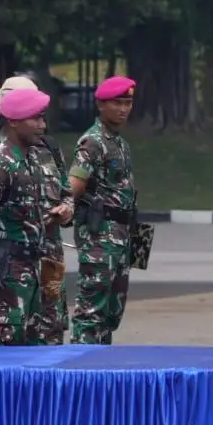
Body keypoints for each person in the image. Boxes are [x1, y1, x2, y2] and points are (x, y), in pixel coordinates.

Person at [0, 89, 72, 345]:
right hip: (10, 271)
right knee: (6, 344)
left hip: (46, 266)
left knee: (47, 339)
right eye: (35, 119)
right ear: (13, 121)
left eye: (43, 118)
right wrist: (2, 237)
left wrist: (66, 208)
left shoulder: (43, 157)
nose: (43, 125)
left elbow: (67, 193)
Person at [68, 76, 137, 345]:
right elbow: (75, 184)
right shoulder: (93, 142)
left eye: (128, 103)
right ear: (100, 105)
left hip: (121, 235)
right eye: (117, 103)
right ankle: (82, 369)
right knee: (91, 311)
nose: (123, 109)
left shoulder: (118, 142)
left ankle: (102, 366)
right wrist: (63, 205)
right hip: (100, 237)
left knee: (112, 311)